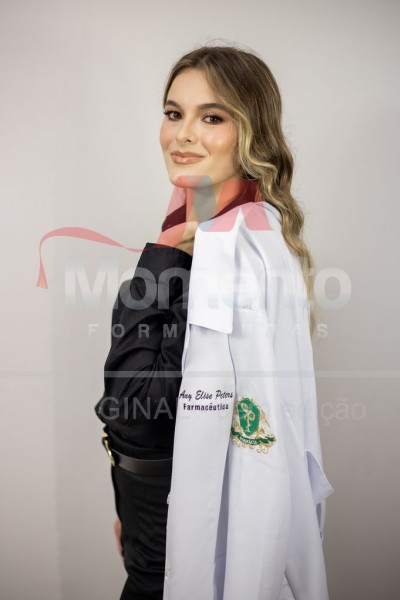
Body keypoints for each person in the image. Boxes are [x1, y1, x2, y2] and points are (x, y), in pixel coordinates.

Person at [95, 43, 334, 600]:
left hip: (182, 527)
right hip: (158, 511)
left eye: (212, 117)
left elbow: (136, 406)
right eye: (174, 113)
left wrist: (160, 255)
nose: (182, 135)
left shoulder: (225, 249)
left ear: (251, 133)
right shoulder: (235, 228)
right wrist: (131, 506)